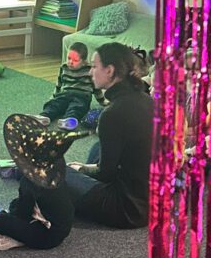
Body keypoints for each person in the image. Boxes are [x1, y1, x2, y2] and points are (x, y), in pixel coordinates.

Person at [65, 43, 153, 228]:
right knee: (98, 147)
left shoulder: (112, 114)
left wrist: (82, 169)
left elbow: (105, 174)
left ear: (110, 70)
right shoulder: (147, 99)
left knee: (58, 170)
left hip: (126, 209)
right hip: (151, 200)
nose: (91, 72)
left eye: (95, 66)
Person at [0, 114, 84, 250]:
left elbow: (23, 210)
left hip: (48, 236)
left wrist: (7, 220)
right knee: (14, 205)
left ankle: (15, 236)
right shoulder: (54, 173)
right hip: (57, 224)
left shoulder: (31, 182)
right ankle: (19, 233)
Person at [36, 42, 97, 126]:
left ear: (84, 62)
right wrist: (54, 97)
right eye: (69, 58)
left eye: (75, 60)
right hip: (66, 94)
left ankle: (69, 120)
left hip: (82, 96)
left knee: (77, 107)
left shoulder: (89, 70)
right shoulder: (64, 67)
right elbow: (59, 84)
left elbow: (96, 87)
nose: (70, 62)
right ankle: (44, 116)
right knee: (55, 104)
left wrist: (102, 101)